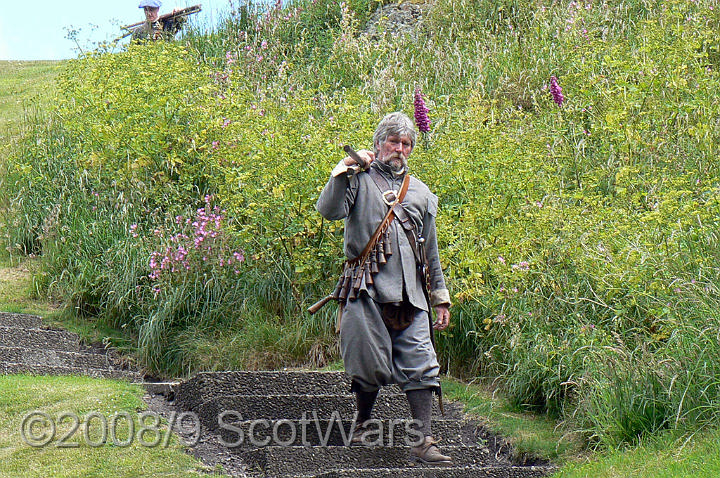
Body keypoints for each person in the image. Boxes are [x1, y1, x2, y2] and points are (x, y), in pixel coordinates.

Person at [316, 112, 453, 466]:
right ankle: (363, 424)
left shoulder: (421, 192)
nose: (400, 149)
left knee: (423, 365)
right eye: (394, 142)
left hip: (412, 296)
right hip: (366, 290)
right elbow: (328, 210)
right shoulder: (358, 180)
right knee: (367, 362)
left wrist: (439, 298)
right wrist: (345, 167)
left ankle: (423, 441)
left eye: (406, 144)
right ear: (379, 144)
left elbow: (431, 251)